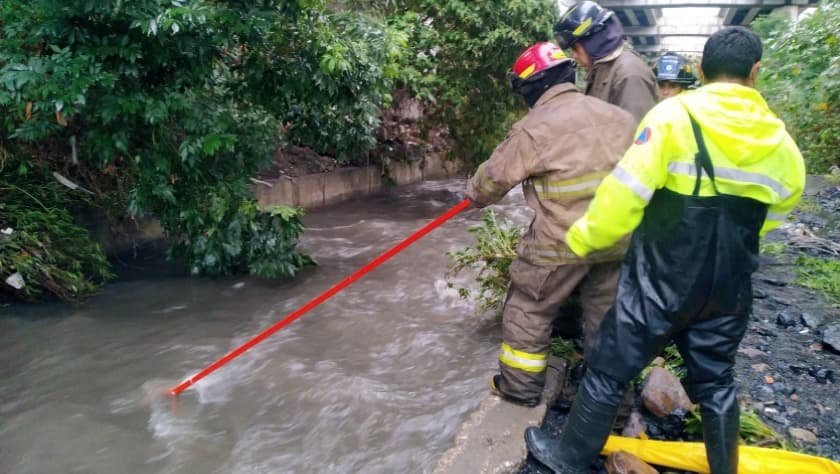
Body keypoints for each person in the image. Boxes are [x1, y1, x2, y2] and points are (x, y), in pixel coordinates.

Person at [524, 26, 805, 474]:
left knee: (609, 366)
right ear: (755, 73)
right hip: (728, 283)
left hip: (661, 276)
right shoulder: (783, 145)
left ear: (699, 69)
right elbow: (776, 212)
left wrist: (583, 238)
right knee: (716, 382)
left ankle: (569, 459)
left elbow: (626, 193)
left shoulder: (672, 118)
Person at [465, 42, 637, 407]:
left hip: (562, 240)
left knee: (528, 305)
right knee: (606, 317)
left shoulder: (533, 129)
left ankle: (520, 389)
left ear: (530, 86)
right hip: (620, 237)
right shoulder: (620, 118)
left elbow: (490, 182)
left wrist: (472, 193)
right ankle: (610, 409)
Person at [554, 0, 657, 122]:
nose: (574, 55)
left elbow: (636, 133)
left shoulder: (629, 73)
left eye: (575, 48)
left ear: (592, 41)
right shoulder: (601, 70)